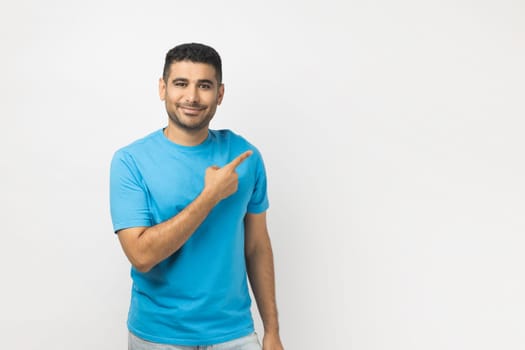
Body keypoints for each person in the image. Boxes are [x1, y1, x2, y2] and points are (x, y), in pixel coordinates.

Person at [110, 43, 284, 350]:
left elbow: (257, 247)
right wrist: (210, 196)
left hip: (234, 333)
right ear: (162, 88)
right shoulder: (130, 161)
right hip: (159, 335)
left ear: (220, 94)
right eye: (181, 84)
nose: (192, 96)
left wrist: (272, 331)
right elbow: (141, 256)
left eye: (204, 85)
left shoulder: (245, 157)